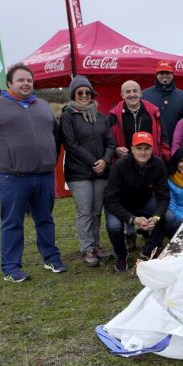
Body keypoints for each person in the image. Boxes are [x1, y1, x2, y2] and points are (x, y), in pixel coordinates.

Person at [0, 63, 66, 282]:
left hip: (44, 175)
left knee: (45, 219)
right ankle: (11, 267)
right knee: (13, 222)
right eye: (20, 80)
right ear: (9, 84)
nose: (26, 84)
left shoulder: (43, 106)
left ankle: (50, 257)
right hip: (11, 178)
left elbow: (55, 137)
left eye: (29, 80)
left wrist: (49, 162)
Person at [60, 75, 117, 267]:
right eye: (80, 92)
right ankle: (87, 248)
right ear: (74, 94)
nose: (84, 95)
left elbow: (110, 142)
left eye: (87, 92)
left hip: (101, 171)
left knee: (96, 211)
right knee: (84, 211)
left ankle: (96, 244)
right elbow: (71, 144)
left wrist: (105, 160)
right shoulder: (68, 115)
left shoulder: (100, 116)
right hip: (79, 172)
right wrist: (95, 162)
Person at [109, 80, 171, 252]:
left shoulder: (152, 112)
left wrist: (162, 157)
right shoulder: (114, 114)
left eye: (135, 90)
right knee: (125, 202)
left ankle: (152, 239)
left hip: (149, 163)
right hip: (125, 163)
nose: (132, 94)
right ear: (122, 95)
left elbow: (162, 135)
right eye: (127, 91)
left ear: (141, 93)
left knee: (158, 209)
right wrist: (114, 149)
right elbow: (108, 138)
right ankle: (129, 236)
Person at [104, 131, 170, 271]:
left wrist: (155, 217)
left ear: (152, 149)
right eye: (139, 148)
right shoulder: (119, 166)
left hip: (143, 203)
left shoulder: (158, 165)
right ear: (132, 149)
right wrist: (133, 219)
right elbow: (110, 201)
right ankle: (121, 255)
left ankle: (149, 249)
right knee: (114, 226)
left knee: (167, 217)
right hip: (118, 205)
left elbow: (163, 197)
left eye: (147, 148)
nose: (143, 152)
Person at [141, 60, 183, 144]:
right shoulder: (144, 95)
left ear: (172, 74)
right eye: (162, 73)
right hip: (150, 145)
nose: (165, 75)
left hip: (174, 146)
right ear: (157, 75)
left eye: (167, 73)